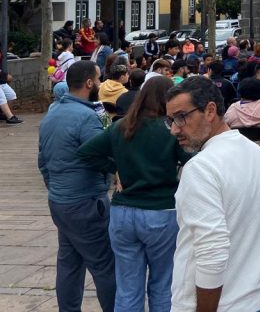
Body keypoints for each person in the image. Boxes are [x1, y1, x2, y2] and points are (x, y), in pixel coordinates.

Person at [78, 76, 190, 312]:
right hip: (162, 211)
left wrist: (113, 168)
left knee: (128, 286)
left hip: (123, 212)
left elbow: (86, 152)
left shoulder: (121, 126)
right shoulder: (170, 129)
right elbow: (192, 161)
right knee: (163, 283)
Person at [165, 76, 260, 312]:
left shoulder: (200, 168)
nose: (175, 129)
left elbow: (211, 251)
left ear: (210, 110)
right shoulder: (255, 152)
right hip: (253, 301)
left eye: (181, 117)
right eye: (171, 120)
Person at [37, 60, 116, 312]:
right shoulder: (86, 117)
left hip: (60, 200)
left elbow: (43, 161)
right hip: (86, 202)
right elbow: (103, 155)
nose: (102, 83)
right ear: (90, 83)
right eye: (99, 79)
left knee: (69, 263)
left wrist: (56, 187)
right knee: (104, 264)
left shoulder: (52, 114)